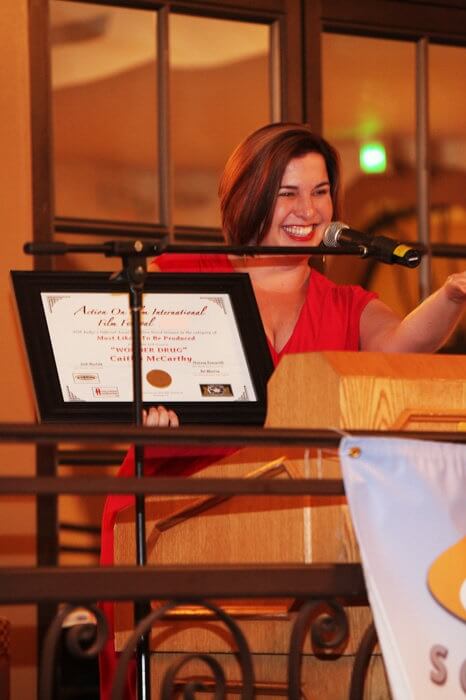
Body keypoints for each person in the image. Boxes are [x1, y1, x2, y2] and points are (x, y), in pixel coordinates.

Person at [100, 123, 466, 698]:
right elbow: (116, 368)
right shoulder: (179, 276)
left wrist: (451, 296)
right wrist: (144, 411)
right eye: (287, 192)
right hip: (173, 520)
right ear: (248, 195)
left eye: (320, 191)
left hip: (289, 531)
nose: (309, 209)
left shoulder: (345, 301)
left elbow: (404, 348)